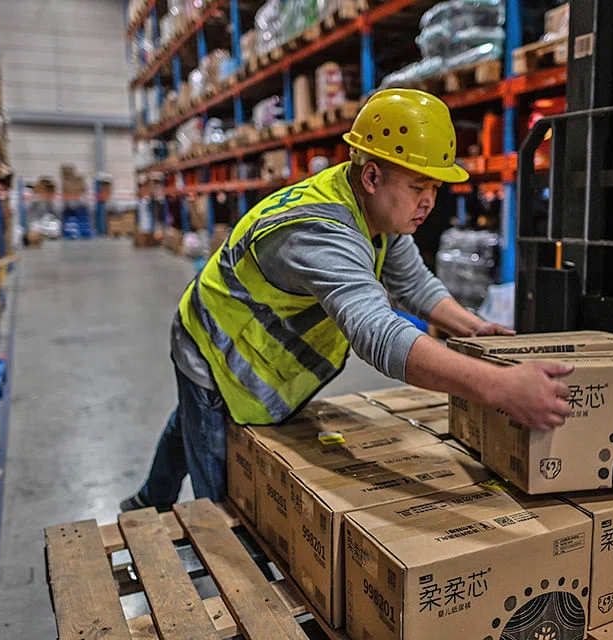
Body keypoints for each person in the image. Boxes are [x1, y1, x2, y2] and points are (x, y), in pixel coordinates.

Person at [121, 88, 572, 511]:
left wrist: (475, 329)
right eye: (419, 187)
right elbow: (379, 334)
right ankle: (175, 523)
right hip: (218, 348)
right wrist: (497, 386)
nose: (430, 202)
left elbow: (414, 283)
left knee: (190, 423)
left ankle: (144, 502)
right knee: (222, 484)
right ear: (372, 175)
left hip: (240, 336)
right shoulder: (322, 232)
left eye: (436, 188)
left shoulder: (375, 211)